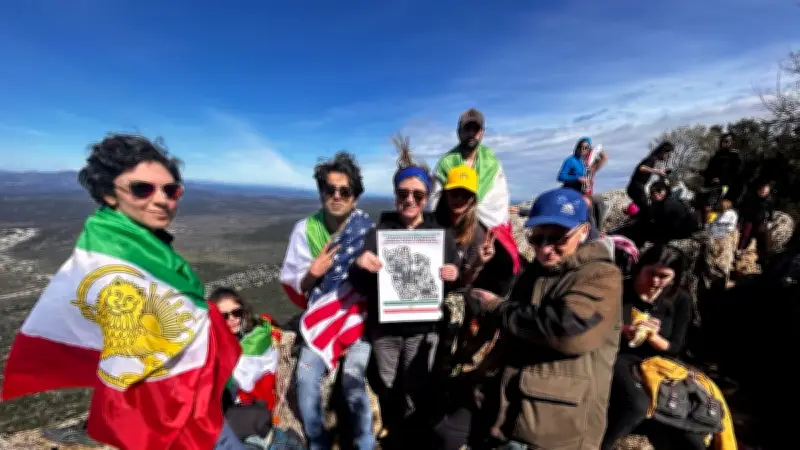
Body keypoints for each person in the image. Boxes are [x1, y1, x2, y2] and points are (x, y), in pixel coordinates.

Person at [29, 134, 240, 449]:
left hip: (188, 391)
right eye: (142, 189)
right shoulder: (117, 257)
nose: (161, 200)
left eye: (171, 190)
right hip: (171, 404)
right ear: (109, 194)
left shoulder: (144, 245)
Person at [469, 187, 623, 450]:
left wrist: (497, 308)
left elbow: (567, 329)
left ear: (584, 231)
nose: (545, 249)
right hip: (513, 413)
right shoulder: (536, 273)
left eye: (558, 238)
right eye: (537, 239)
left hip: (559, 429)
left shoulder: (601, 276)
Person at [349, 136, 460, 449]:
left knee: (417, 385)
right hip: (386, 327)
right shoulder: (379, 233)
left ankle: (410, 436)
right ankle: (393, 430)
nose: (410, 200)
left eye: (418, 195)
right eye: (403, 193)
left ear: (426, 198)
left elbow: (453, 279)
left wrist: (452, 274)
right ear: (395, 195)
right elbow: (358, 283)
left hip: (423, 327)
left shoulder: (442, 235)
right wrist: (360, 264)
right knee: (387, 383)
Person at [279, 152, 375, 450]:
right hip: (322, 319)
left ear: (354, 197)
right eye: (329, 189)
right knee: (306, 379)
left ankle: (366, 444)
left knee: (353, 383)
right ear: (321, 192)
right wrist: (312, 273)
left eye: (344, 191)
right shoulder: (305, 230)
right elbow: (294, 282)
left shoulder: (367, 230)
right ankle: (318, 441)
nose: (336, 196)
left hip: (359, 318)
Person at [601, 246, 701, 450]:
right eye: (651, 273)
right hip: (621, 356)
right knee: (636, 405)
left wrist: (654, 337)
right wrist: (623, 331)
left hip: (659, 362)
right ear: (640, 269)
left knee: (692, 417)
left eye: (663, 276)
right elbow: (598, 328)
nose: (655, 281)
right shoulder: (619, 290)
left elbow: (675, 346)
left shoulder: (680, 299)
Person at [429, 109, 520, 279]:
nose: (471, 134)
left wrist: (474, 214)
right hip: (451, 221)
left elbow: (497, 199)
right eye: (466, 129)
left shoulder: (491, 162)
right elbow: (435, 199)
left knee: (502, 260)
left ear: (482, 133)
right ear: (459, 132)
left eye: (475, 130)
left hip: (484, 222)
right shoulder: (446, 163)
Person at [210, 287, 276, 449]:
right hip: (228, 409)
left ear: (243, 312)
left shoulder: (255, 340)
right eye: (224, 316)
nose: (232, 319)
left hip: (251, 406)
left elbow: (245, 380)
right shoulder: (211, 342)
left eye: (236, 313)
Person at [618, 181, 701, 248]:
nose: (655, 193)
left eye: (659, 190)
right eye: (653, 192)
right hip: (673, 231)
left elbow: (652, 217)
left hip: (676, 233)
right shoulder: (664, 202)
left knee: (639, 229)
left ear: (666, 190)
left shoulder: (669, 204)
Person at [627, 142, 673, 211]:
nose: (667, 157)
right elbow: (641, 168)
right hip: (636, 187)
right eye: (667, 154)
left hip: (636, 187)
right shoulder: (652, 158)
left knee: (643, 209)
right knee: (646, 209)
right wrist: (657, 171)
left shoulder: (653, 159)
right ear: (663, 151)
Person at [738, 180, 775, 262]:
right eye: (762, 191)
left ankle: (744, 250)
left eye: (765, 192)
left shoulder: (769, 201)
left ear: (768, 192)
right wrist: (741, 218)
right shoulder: (753, 196)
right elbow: (744, 206)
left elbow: (771, 212)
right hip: (749, 217)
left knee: (752, 236)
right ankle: (739, 249)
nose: (763, 193)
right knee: (746, 234)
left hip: (759, 220)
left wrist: (770, 221)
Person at [702, 133, 743, 205]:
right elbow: (708, 172)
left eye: (726, 141)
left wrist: (722, 180)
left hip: (726, 190)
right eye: (722, 141)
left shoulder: (735, 157)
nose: (723, 143)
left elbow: (737, 175)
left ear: (732, 142)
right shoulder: (715, 156)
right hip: (711, 188)